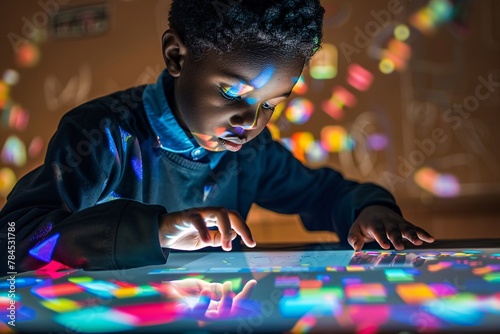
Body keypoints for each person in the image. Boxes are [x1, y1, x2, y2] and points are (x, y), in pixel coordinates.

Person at [0, 0, 434, 275]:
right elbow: (14, 242)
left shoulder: (251, 153)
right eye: (232, 92)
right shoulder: (104, 134)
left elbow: (325, 194)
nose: (250, 122)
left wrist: (371, 210)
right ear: (176, 55)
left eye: (271, 104)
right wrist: (158, 232)